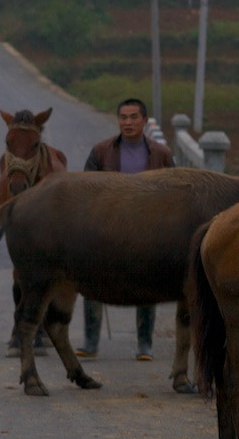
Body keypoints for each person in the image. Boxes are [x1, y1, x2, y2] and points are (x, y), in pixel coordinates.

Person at [75, 98, 175, 362]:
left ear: (144, 121)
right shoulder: (101, 151)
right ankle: (90, 342)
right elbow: (85, 190)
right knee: (92, 281)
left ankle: (144, 344)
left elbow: (175, 195)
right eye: (123, 117)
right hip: (107, 228)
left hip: (147, 230)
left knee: (146, 285)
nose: (127, 122)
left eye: (133, 117)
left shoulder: (161, 154)